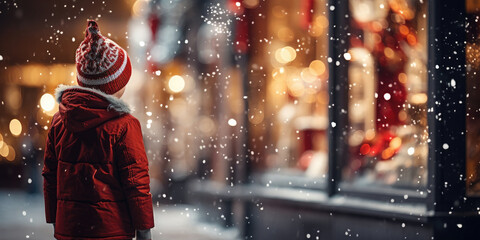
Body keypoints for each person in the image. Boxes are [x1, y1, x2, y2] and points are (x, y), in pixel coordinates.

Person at [42, 20, 154, 240]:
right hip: (111, 230)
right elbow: (136, 181)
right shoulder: (125, 125)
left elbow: (50, 175)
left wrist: (56, 219)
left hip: (69, 229)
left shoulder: (59, 121)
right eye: (123, 81)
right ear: (113, 86)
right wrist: (144, 229)